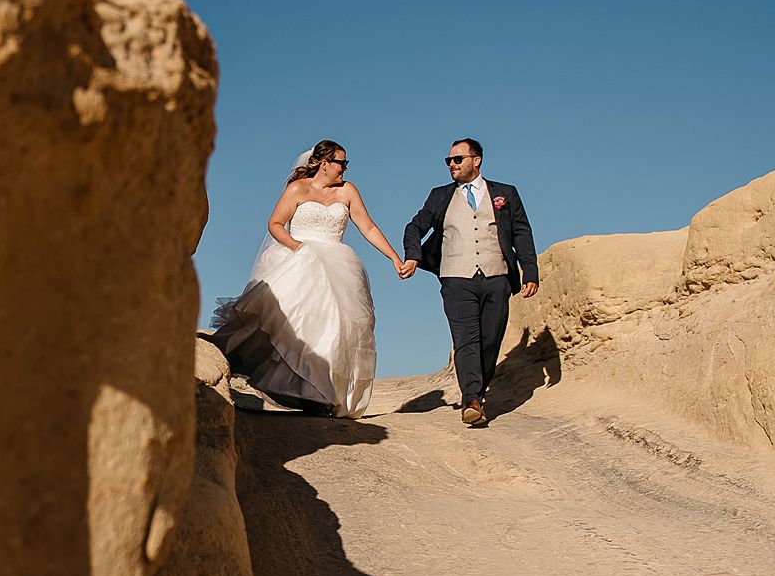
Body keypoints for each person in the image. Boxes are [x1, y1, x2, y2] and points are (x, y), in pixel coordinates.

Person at [211, 140, 415, 417]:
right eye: (341, 163)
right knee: (292, 321)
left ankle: (321, 394)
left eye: (346, 164)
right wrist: (298, 248)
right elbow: (274, 224)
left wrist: (393, 257)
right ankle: (241, 363)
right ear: (323, 163)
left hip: (339, 262)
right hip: (301, 257)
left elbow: (367, 226)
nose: (345, 169)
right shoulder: (298, 189)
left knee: (338, 325)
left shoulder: (348, 190)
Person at [400, 137, 539, 426]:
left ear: (476, 160)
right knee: (466, 340)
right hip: (455, 278)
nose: (451, 164)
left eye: (457, 159)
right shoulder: (439, 195)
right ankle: (472, 399)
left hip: (497, 277)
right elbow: (415, 227)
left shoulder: (505, 193)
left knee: (490, 340)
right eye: (448, 160)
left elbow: (521, 233)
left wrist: (530, 269)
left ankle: (479, 391)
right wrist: (413, 256)